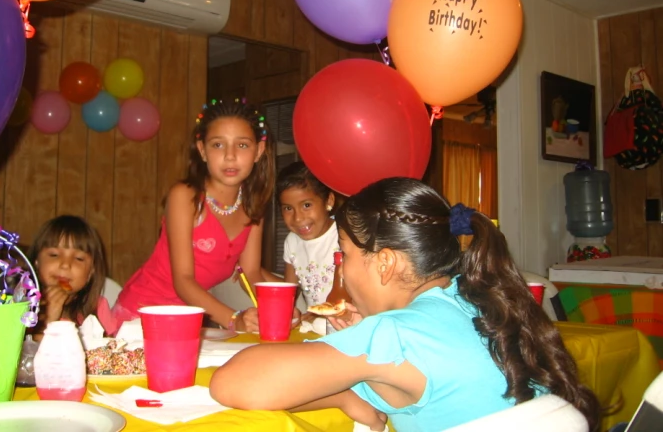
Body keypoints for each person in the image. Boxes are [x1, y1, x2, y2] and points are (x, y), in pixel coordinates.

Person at [210, 178, 601, 432]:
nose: (341, 273)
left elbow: (233, 382)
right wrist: (347, 387)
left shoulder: (392, 336)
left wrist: (349, 383)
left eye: (343, 255)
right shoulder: (479, 297)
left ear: (385, 263)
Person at [113, 98, 280, 334]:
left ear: (258, 151)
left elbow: (251, 271)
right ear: (202, 150)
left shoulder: (253, 206)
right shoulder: (185, 197)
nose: (230, 156)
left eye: (242, 145)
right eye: (218, 145)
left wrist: (283, 306)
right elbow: (183, 281)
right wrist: (234, 319)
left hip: (188, 321)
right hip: (139, 317)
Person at [26, 215, 109, 339]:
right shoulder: (23, 306)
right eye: (54, 255)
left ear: (91, 271)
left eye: (79, 258)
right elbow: (28, 353)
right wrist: (46, 322)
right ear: (36, 262)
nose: (65, 265)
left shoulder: (98, 307)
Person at [278, 162, 337, 308]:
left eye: (306, 205)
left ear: (328, 201)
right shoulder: (292, 242)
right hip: (315, 326)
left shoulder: (344, 237)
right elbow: (289, 292)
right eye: (288, 208)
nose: (297, 218)